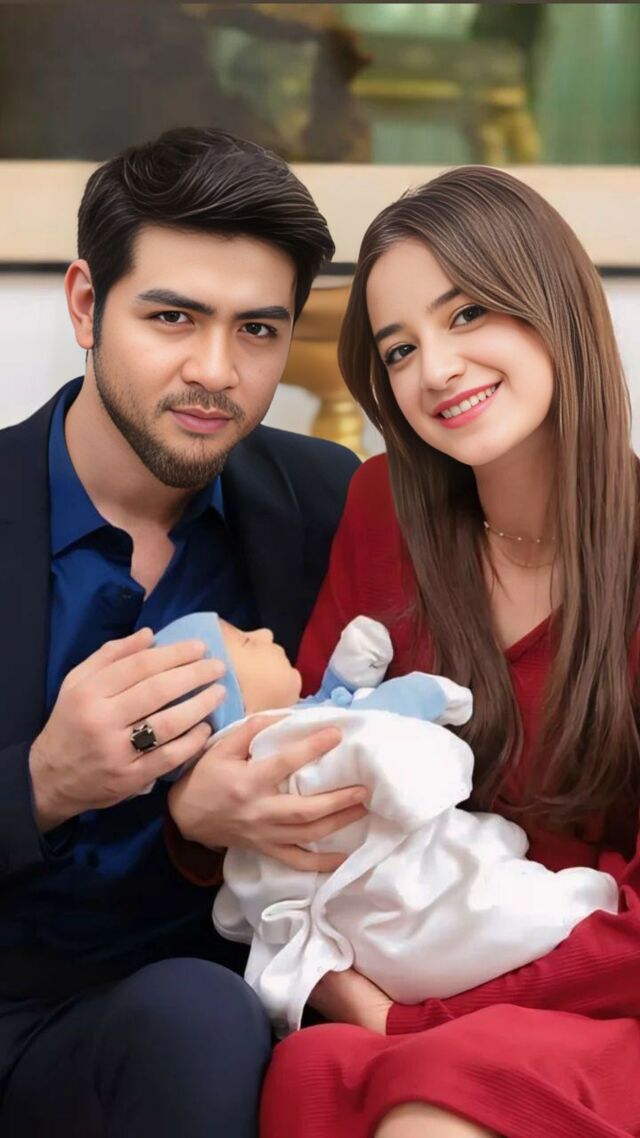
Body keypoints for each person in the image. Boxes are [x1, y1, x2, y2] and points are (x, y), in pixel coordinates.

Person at [258, 166, 640, 1138]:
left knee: (434, 1094)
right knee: (313, 1065)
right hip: (401, 985)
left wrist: (415, 1022)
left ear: (552, 304)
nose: (434, 369)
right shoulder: (381, 510)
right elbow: (313, 783)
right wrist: (344, 987)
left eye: (467, 313)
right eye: (400, 348)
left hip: (603, 1006)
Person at [0, 126, 361, 1138]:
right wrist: (44, 783)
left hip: (207, 1013)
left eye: (258, 329)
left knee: (204, 1015)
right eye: (173, 316)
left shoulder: (323, 498)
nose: (216, 369)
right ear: (85, 303)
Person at [156, 611, 617, 1040]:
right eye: (245, 643)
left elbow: (328, 705)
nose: (265, 634)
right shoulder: (276, 746)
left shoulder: (286, 728)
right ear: (228, 701)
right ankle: (569, 909)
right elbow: (365, 734)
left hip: (365, 952)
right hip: (391, 899)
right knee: (491, 906)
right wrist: (420, 698)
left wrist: (347, 678)